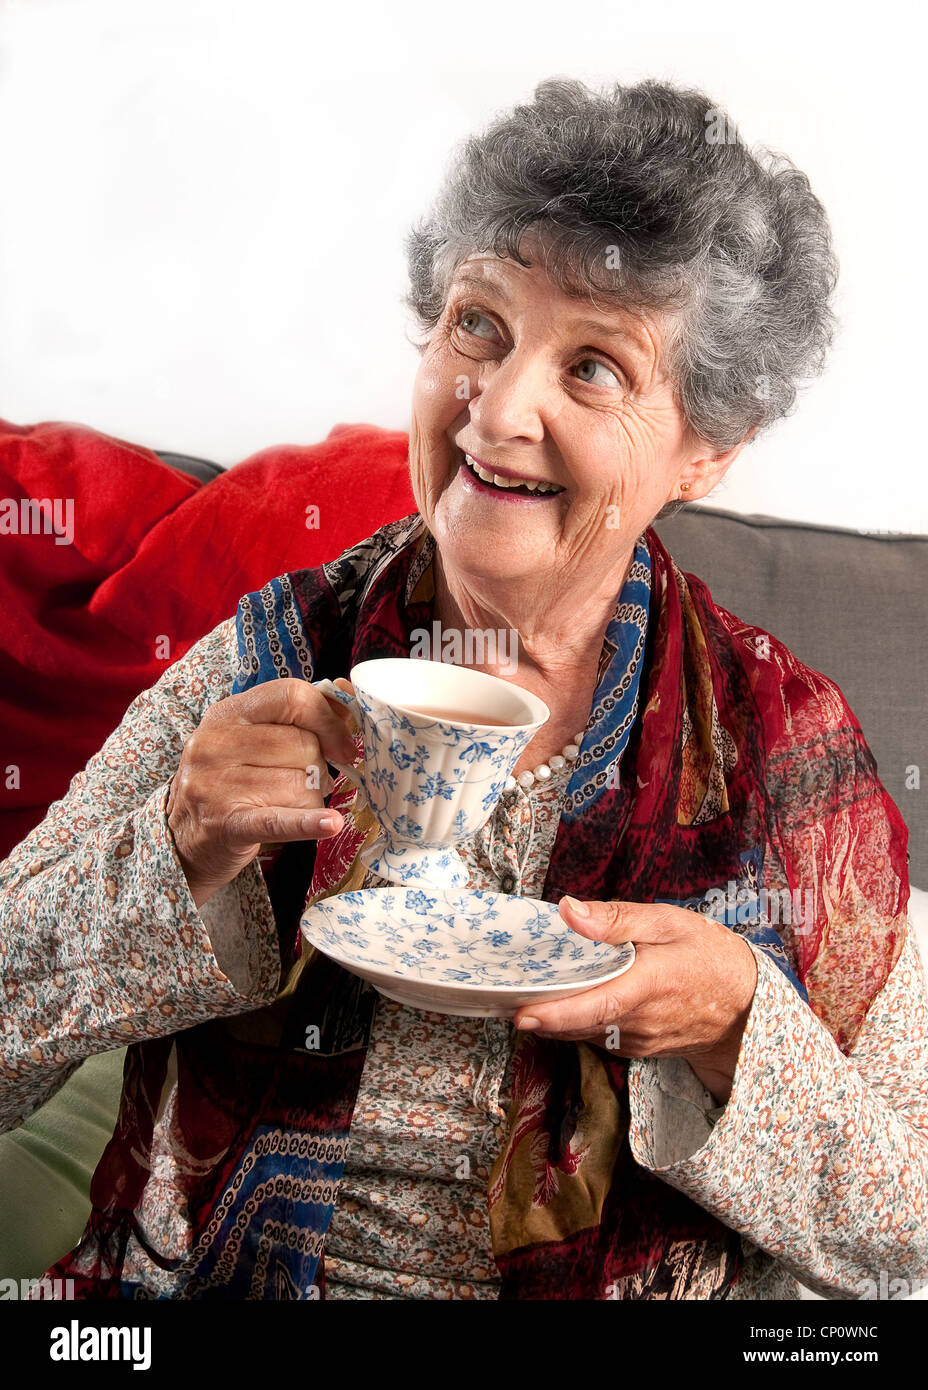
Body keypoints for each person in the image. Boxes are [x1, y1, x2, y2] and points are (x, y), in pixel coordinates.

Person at [1, 76, 924, 1301]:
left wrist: (731, 1025)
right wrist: (172, 855)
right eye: (477, 325)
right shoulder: (270, 660)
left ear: (704, 445)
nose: (496, 407)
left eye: (592, 365)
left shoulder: (781, 748)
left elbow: (905, 1228)